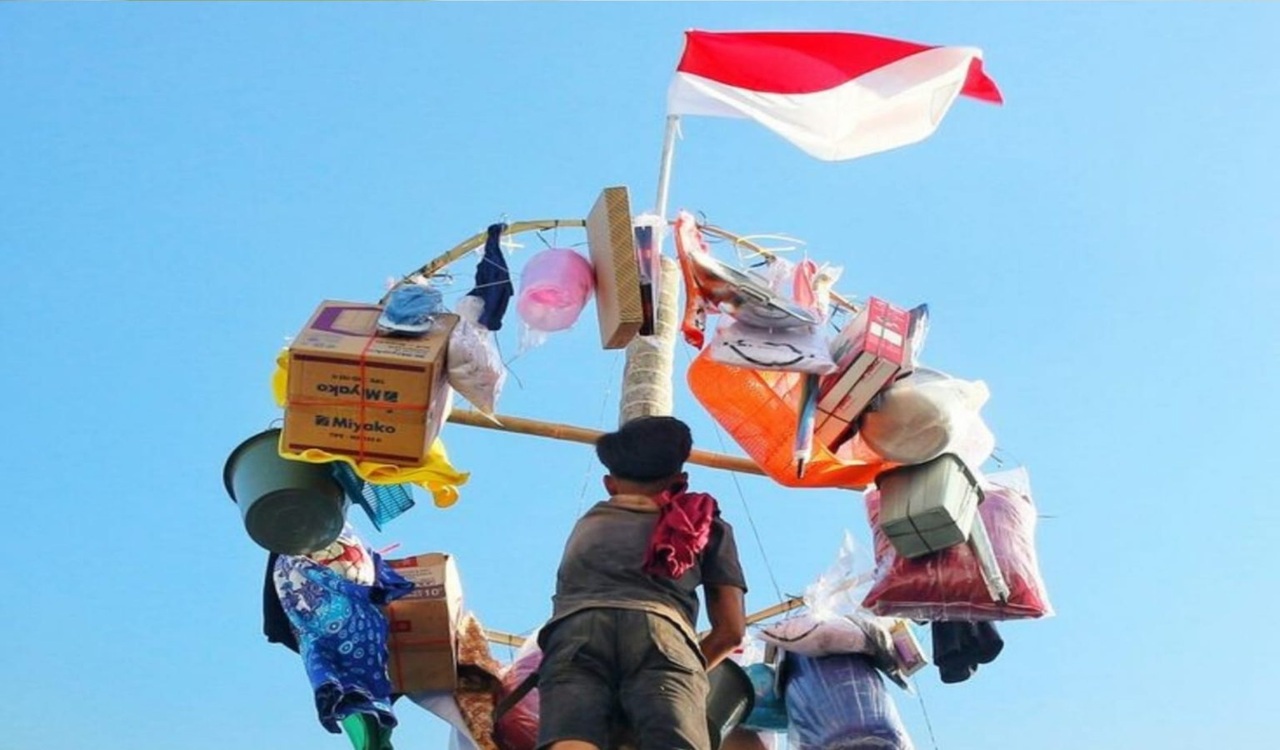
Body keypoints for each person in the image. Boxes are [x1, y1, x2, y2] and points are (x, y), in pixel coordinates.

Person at [536, 416, 749, 750]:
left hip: (575, 632)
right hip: (663, 636)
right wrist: (685, 670)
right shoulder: (707, 526)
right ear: (681, 480)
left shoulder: (588, 524)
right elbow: (731, 632)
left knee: (571, 741)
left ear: (609, 485)